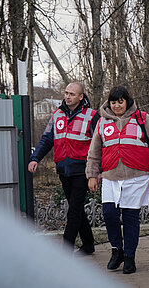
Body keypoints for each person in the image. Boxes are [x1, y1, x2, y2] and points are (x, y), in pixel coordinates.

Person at [86, 86, 149, 274]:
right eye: (113, 102)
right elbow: (94, 152)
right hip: (110, 177)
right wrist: (92, 175)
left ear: (127, 101)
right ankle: (117, 250)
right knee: (109, 214)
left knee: (130, 217)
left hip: (137, 177)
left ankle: (129, 257)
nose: (117, 105)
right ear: (109, 103)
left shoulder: (142, 118)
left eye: (120, 101)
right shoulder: (102, 122)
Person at [28, 81, 99, 255]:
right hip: (63, 170)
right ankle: (89, 245)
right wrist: (35, 158)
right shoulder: (57, 115)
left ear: (81, 97)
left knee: (73, 211)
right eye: (66, 93)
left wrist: (97, 172)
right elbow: (47, 139)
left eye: (72, 94)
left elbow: (100, 145)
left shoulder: (92, 116)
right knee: (77, 208)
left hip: (83, 170)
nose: (67, 96)